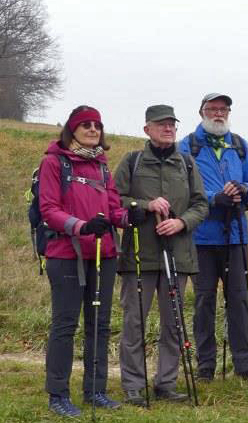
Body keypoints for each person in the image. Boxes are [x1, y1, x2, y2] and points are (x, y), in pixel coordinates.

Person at [38, 106, 129, 416]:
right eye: (86, 125)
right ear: (72, 130)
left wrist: (129, 217)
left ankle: (95, 391)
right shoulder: (54, 162)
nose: (93, 130)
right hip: (66, 255)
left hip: (103, 254)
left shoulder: (102, 167)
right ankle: (58, 395)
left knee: (100, 325)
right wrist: (81, 226)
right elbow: (49, 209)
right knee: (65, 325)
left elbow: (113, 208)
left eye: (97, 125)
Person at [115, 105, 208, 405]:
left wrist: (181, 222)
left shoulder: (187, 163)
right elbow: (115, 200)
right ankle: (133, 384)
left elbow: (201, 205)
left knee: (174, 324)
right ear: (147, 129)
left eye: (171, 124)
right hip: (138, 256)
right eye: (161, 124)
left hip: (177, 257)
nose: (168, 129)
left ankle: (165, 383)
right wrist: (144, 205)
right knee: (134, 322)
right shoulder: (132, 161)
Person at [178, 92, 248, 381]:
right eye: (212, 109)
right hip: (200, 238)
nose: (218, 114)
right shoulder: (187, 147)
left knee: (238, 300)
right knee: (204, 302)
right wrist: (214, 199)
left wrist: (242, 189)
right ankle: (205, 366)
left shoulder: (239, 146)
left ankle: (244, 365)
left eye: (223, 109)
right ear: (201, 112)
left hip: (235, 236)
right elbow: (181, 192)